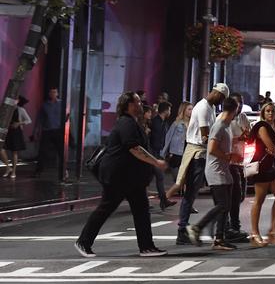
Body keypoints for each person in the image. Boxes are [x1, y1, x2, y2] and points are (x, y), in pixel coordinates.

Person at [75, 91, 168, 257]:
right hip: (118, 176)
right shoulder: (126, 123)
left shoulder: (133, 122)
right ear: (129, 105)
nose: (141, 104)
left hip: (131, 177)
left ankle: (146, 247)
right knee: (106, 208)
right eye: (138, 102)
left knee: (141, 210)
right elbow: (134, 148)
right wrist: (156, 162)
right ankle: (83, 242)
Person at [176, 83, 230, 245]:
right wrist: (218, 150)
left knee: (213, 194)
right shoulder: (204, 107)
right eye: (222, 97)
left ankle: (219, 230)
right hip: (197, 153)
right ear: (217, 94)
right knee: (191, 192)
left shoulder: (210, 107)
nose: (222, 101)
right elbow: (205, 135)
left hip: (202, 153)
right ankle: (183, 230)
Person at [187, 98, 243, 251]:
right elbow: (212, 149)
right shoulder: (219, 126)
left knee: (225, 206)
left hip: (223, 170)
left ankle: (219, 238)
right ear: (236, 109)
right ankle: (197, 227)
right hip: (215, 170)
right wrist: (229, 156)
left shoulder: (226, 126)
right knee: (223, 204)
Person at [248, 102, 275, 247]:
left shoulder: (271, 127)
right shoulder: (262, 126)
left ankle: (272, 232)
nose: (270, 113)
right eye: (267, 111)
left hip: (270, 166)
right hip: (262, 166)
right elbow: (271, 147)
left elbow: (274, 149)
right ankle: (254, 234)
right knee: (259, 200)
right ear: (263, 113)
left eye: (272, 111)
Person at [225, 92, 251, 243]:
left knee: (240, 196)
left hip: (242, 161)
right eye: (237, 103)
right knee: (234, 196)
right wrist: (239, 138)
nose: (239, 105)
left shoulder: (243, 117)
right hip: (229, 161)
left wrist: (247, 136)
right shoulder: (225, 119)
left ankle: (231, 225)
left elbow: (248, 134)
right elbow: (222, 140)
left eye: (241, 102)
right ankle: (233, 226)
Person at [34, 87, 65, 178]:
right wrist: (36, 130)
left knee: (61, 151)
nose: (53, 94)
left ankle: (64, 170)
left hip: (58, 130)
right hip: (47, 130)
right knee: (42, 151)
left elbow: (67, 116)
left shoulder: (62, 104)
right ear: (49, 94)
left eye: (54, 92)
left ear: (57, 93)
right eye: (51, 92)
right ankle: (39, 170)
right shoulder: (45, 105)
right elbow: (40, 118)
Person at [150, 101, 175, 210]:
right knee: (158, 177)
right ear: (165, 110)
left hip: (159, 154)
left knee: (158, 177)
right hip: (154, 154)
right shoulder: (155, 122)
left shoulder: (164, 123)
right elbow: (154, 140)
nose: (170, 112)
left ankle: (163, 201)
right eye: (169, 110)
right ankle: (163, 201)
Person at [162, 101, 192, 186]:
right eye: (189, 109)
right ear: (184, 110)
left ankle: (184, 192)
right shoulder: (177, 123)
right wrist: (164, 153)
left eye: (192, 109)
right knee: (177, 177)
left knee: (186, 176)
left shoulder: (193, 123)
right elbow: (168, 138)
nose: (191, 111)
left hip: (188, 152)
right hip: (177, 152)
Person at [3, 96, 31, 179]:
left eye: (15, 99)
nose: (13, 101)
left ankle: (14, 171)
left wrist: (19, 123)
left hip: (16, 132)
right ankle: (8, 168)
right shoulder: (7, 108)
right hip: (7, 131)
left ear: (18, 101)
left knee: (14, 152)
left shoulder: (20, 109)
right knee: (2, 149)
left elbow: (29, 120)